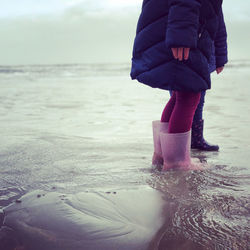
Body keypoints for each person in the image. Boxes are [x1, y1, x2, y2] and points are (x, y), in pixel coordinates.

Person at [130, 0, 228, 170]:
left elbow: (216, 15)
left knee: (180, 93)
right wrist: (182, 34)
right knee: (189, 94)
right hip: (186, 31)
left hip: (188, 29)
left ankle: (162, 156)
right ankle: (177, 162)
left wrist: (219, 55)